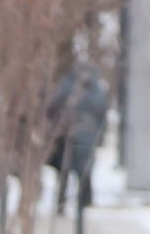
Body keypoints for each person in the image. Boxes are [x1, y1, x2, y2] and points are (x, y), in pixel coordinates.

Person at [46, 64, 109, 215]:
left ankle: (81, 204)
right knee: (67, 173)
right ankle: (67, 203)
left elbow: (101, 115)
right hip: (69, 139)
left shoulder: (91, 90)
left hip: (81, 138)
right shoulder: (73, 88)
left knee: (80, 173)